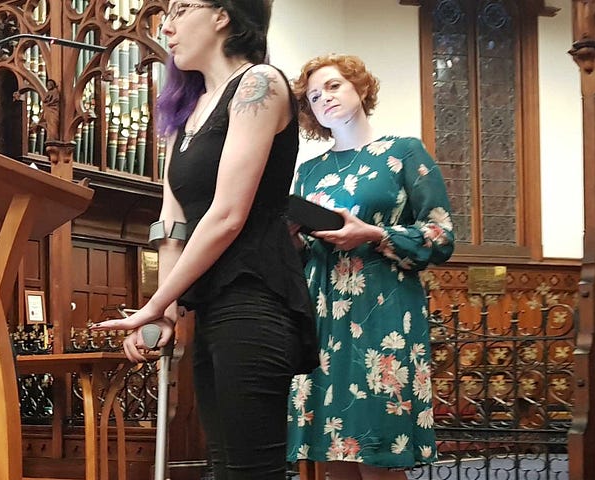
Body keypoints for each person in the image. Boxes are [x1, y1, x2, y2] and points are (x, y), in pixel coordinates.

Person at [90, 1, 317, 478]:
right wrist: (166, 313)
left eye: (181, 9)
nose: (166, 27)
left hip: (256, 292)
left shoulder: (260, 84)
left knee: (253, 469)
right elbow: (171, 219)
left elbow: (227, 216)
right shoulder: (186, 113)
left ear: (223, 15)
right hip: (211, 301)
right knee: (222, 466)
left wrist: (157, 301)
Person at [286, 54, 453, 477]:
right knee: (332, 454)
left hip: (384, 313)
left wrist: (376, 235)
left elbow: (441, 235)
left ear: (361, 89)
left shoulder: (403, 151)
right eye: (314, 95)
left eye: (335, 86)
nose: (325, 98)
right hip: (323, 315)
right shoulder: (309, 171)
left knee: (379, 450)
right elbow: (300, 253)